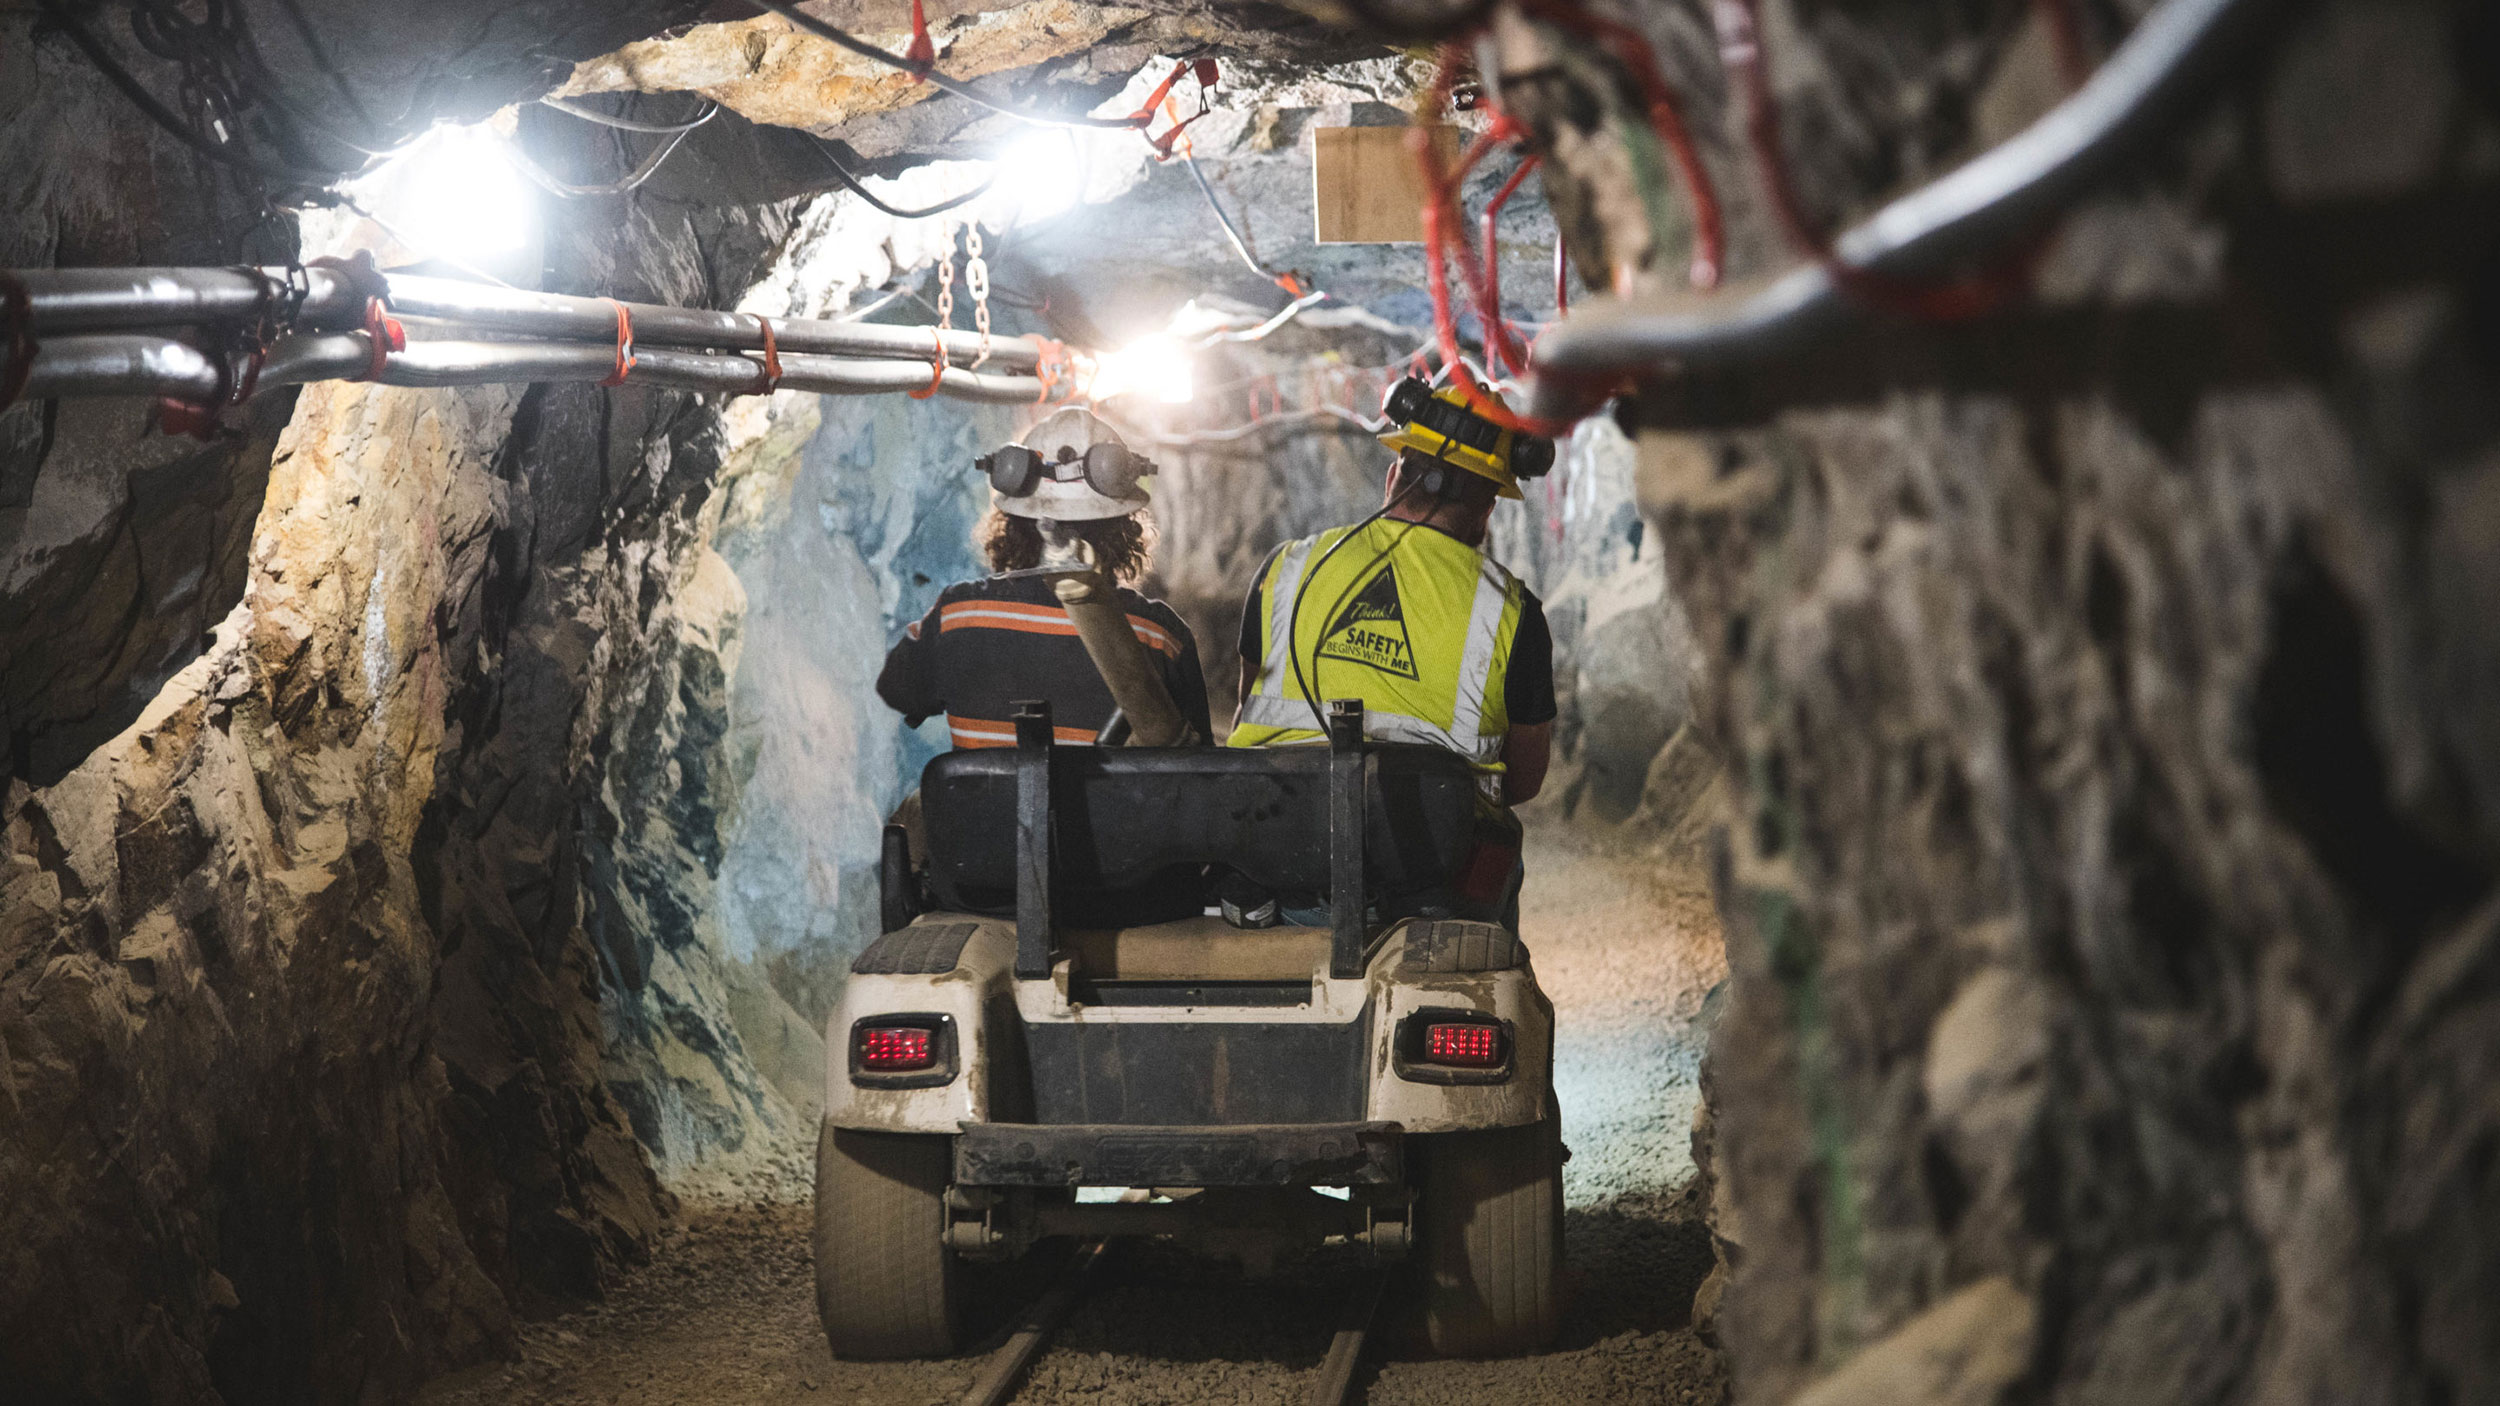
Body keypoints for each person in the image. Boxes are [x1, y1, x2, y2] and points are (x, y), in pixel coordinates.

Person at [1228, 375, 1558, 923]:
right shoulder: (1514, 613)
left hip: (1275, 856)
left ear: (1394, 476)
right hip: (1432, 875)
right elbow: (1523, 781)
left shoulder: (1288, 567)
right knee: (1502, 847)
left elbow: (1246, 705)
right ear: (1487, 509)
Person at [877, 407, 1212, 748]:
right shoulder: (1161, 635)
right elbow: (1197, 767)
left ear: (1013, 522)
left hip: (982, 802)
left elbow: (894, 690)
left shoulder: (958, 615)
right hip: (1110, 804)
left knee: (920, 803)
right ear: (1124, 528)